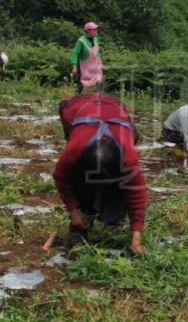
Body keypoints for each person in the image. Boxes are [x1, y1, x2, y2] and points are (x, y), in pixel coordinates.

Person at [52, 92, 147, 255]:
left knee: (118, 189)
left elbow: (137, 192)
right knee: (80, 181)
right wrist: (73, 211)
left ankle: (112, 212)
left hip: (115, 110)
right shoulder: (74, 150)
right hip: (82, 109)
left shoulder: (128, 155)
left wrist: (137, 236)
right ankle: (80, 221)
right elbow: (61, 177)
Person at [70, 21, 103, 92]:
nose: (96, 31)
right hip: (84, 67)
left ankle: (98, 99)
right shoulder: (81, 41)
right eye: (94, 29)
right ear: (88, 31)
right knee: (81, 87)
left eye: (96, 29)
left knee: (98, 83)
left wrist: (100, 63)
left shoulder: (96, 39)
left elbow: (97, 53)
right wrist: (74, 67)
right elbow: (75, 53)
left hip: (95, 66)